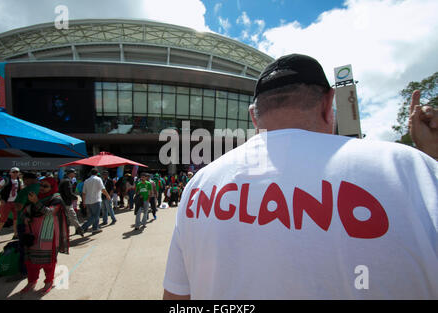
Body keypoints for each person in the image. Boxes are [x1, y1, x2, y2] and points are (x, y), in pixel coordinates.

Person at [163, 54, 438, 300]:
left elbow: (176, 298)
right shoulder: (409, 168)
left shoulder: (198, 186)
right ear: (329, 103)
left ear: (254, 117)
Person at [19, 177, 69, 296]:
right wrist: (25, 217)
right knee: (30, 262)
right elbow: (24, 212)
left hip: (47, 234)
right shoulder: (36, 196)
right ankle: (31, 281)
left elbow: (49, 212)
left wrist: (36, 201)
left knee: (48, 263)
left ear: (52, 187)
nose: (42, 188)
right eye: (41, 185)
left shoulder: (56, 199)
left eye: (45, 186)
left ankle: (48, 282)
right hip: (32, 233)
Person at [0, 167, 23, 241]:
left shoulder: (19, 180)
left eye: (17, 172)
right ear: (10, 173)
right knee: (3, 219)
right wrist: (0, 199)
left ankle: (15, 234)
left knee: (16, 219)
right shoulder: (5, 180)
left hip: (15, 202)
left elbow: (20, 190)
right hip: (7, 202)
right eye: (14, 172)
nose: (15, 173)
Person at [81, 168, 111, 235]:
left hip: (88, 201)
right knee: (95, 216)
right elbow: (103, 189)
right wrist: (108, 195)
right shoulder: (98, 179)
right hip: (96, 200)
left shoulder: (86, 180)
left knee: (92, 216)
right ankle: (83, 227)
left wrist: (83, 202)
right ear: (97, 173)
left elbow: (83, 193)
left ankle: (95, 228)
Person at [58, 169, 84, 237]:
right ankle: (79, 229)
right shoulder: (67, 181)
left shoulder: (64, 180)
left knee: (67, 218)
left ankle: (67, 232)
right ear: (70, 174)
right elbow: (68, 193)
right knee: (72, 216)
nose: (75, 174)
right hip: (66, 202)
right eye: (74, 173)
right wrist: (75, 197)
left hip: (63, 202)